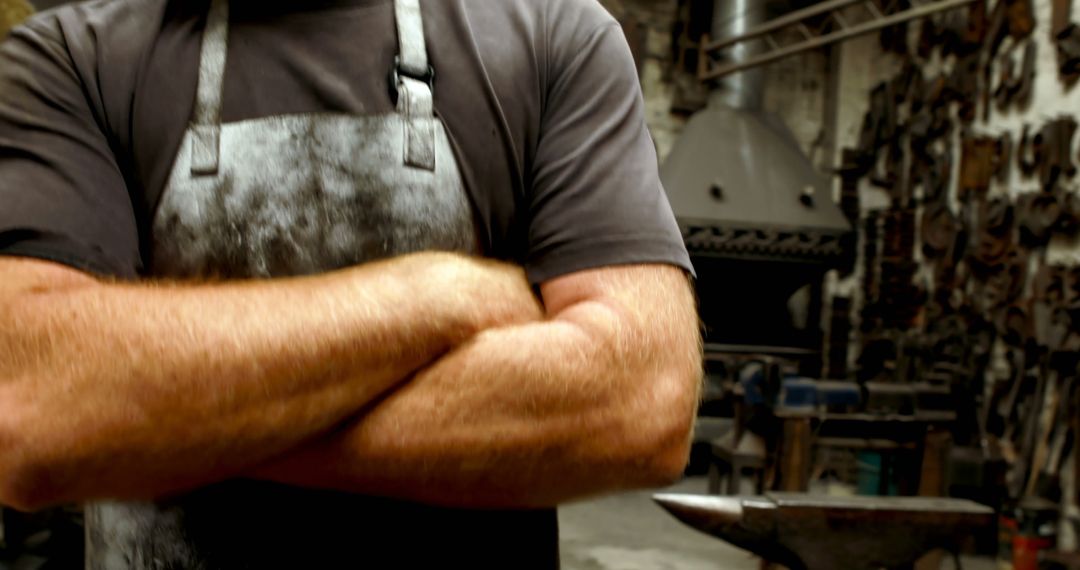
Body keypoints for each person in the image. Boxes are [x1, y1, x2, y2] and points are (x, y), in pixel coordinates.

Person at [0, 0, 701, 567]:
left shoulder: (556, 39)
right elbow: (31, 406)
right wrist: (436, 295)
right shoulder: (69, 59)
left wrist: (153, 417)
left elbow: (640, 403)